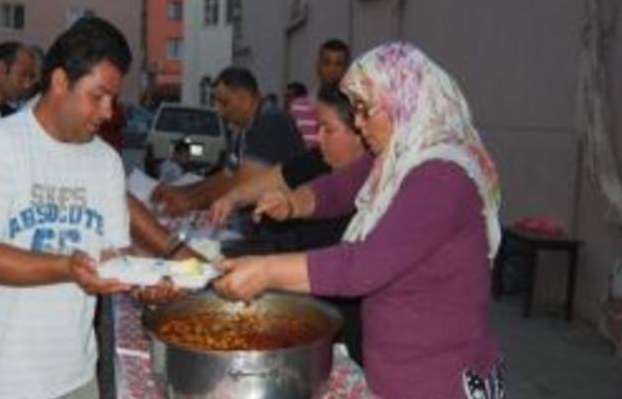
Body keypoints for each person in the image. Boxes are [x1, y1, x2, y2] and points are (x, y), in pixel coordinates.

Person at [214, 43, 504, 399]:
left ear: (404, 100)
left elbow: (365, 264)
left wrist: (267, 271)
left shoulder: (442, 175)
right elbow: (341, 187)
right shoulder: (401, 154)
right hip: (398, 375)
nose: (359, 124)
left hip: (440, 380)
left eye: (366, 111)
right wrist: (293, 204)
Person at [0, 16, 134, 399]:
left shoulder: (107, 163)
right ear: (60, 82)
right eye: (97, 96)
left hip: (75, 377)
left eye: (113, 99)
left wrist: (150, 280)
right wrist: (67, 267)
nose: (108, 112)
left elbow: (113, 253)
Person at [209, 82, 369, 364]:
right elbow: (293, 183)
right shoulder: (322, 159)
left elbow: (352, 263)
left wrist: (268, 271)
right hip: (313, 308)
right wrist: (235, 198)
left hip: (355, 328)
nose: (318, 137)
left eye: (328, 129)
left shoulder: (386, 179)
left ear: (361, 131)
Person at [151, 66, 305, 216]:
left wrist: (188, 201)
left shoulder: (271, 123)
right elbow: (226, 176)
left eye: (224, 102)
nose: (219, 110)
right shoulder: (245, 130)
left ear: (245, 98)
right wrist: (181, 192)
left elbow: (244, 182)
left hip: (280, 231)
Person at [287, 39, 351, 148]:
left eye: (338, 64)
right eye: (327, 62)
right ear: (318, 66)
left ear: (347, 69)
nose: (332, 69)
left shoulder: (355, 110)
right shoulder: (297, 108)